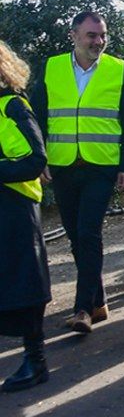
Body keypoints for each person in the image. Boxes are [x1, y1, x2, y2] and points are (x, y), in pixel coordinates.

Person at [31, 11, 124, 334]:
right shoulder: (52, 67)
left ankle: (82, 309)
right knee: (75, 235)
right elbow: (37, 117)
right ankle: (98, 300)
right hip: (62, 164)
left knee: (89, 232)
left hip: (101, 165)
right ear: (74, 35)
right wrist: (39, 158)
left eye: (103, 35)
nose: (99, 41)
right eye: (92, 35)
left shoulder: (119, 69)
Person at [0, 41, 52, 392]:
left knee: (25, 283)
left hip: (15, 207)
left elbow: (35, 160)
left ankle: (36, 361)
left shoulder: (13, 105)